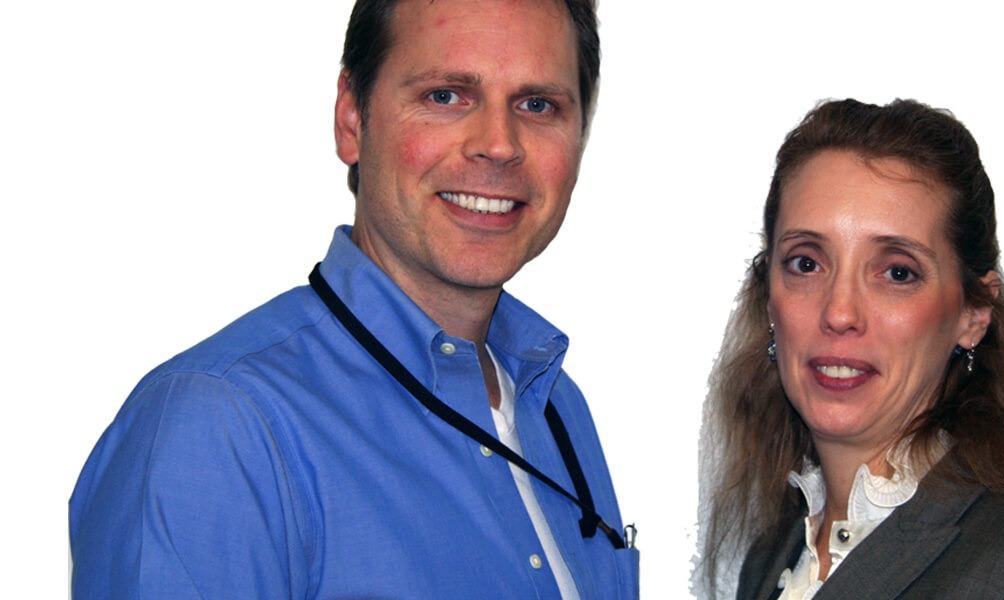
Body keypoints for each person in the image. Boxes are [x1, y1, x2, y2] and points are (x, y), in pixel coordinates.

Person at [69, 1, 639, 598]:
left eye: (537, 105)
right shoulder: (218, 430)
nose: (499, 145)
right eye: (446, 96)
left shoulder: (556, 408)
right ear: (351, 119)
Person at [695, 98, 1004, 599]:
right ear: (768, 297)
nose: (839, 312)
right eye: (806, 263)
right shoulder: (772, 560)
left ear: (973, 313)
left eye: (897, 272)